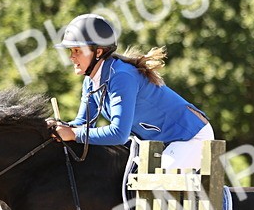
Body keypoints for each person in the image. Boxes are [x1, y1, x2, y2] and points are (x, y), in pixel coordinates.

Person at [49, 13, 213, 170]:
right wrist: (56, 128)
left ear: (98, 52)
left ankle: (223, 199)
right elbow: (83, 124)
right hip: (157, 144)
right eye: (71, 51)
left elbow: (118, 134)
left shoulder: (121, 77)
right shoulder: (90, 81)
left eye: (77, 50)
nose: (71, 57)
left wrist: (73, 134)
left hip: (190, 138)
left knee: (155, 184)